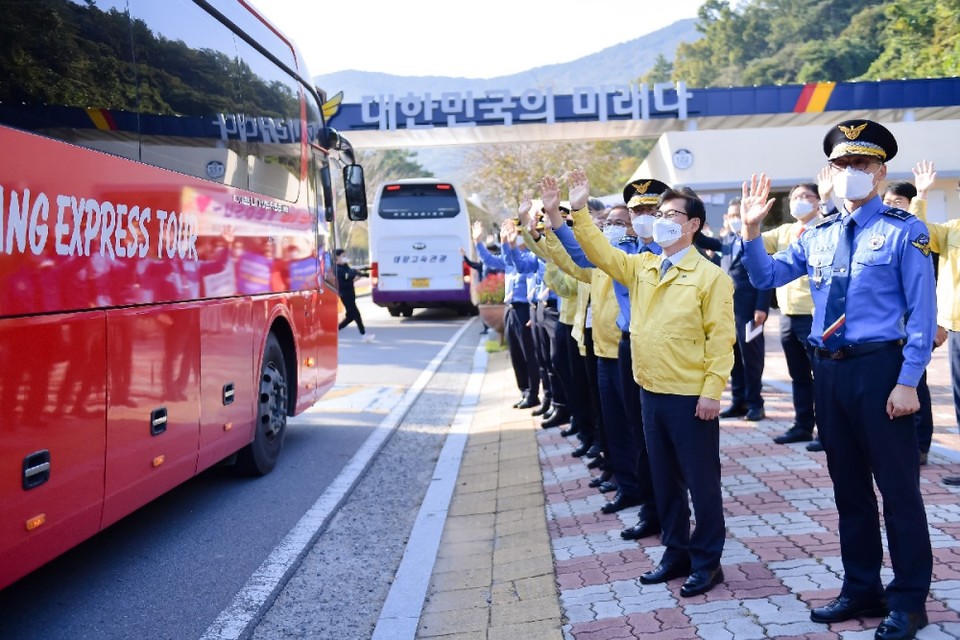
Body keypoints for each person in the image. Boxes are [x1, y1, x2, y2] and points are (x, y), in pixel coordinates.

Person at [740, 119, 936, 640]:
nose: (853, 173)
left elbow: (921, 313)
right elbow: (766, 278)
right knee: (848, 489)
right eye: (844, 164)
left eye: (863, 165)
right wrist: (753, 232)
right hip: (828, 372)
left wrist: (908, 380)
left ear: (881, 172)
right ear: (830, 171)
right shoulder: (817, 235)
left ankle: (910, 600)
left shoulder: (904, 230)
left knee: (898, 491)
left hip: (880, 371)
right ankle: (861, 587)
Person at [565, 168, 735, 599]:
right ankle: (675, 551)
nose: (662, 220)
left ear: (694, 225)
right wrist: (580, 210)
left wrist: (712, 391)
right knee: (664, 480)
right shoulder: (642, 266)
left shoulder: (710, 277)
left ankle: (707, 560)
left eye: (673, 214)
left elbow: (721, 339)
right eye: (660, 213)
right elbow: (599, 253)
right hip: (651, 390)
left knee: (701, 482)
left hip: (691, 396)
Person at [762, 178, 827, 446]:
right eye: (795, 197)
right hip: (788, 315)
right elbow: (752, 246)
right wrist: (749, 223)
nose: (800, 201)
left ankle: (827, 430)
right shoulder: (785, 231)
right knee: (798, 375)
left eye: (807, 197)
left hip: (813, 315)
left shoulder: (825, 227)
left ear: (818, 201)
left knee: (822, 376)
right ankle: (802, 425)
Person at [697, 199, 772, 422]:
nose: (734, 220)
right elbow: (699, 239)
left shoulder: (758, 240)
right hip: (728, 311)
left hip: (750, 311)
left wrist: (762, 306)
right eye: (730, 216)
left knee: (752, 360)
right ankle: (738, 402)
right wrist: (695, 208)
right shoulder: (726, 240)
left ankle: (755, 404)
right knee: (733, 358)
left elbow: (766, 275)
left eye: (737, 215)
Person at [882, 178, 936, 466]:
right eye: (887, 202)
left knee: (916, 383)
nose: (891, 207)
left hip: (913, 326)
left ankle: (920, 444)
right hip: (891, 329)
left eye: (898, 202)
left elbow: (928, 289)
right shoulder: (884, 234)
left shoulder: (917, 235)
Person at [335, 249, 374, 343]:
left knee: (350, 317)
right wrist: (353, 278)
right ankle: (364, 335)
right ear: (337, 257)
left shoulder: (345, 267)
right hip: (345, 295)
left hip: (350, 294)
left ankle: (334, 331)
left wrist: (362, 274)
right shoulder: (337, 269)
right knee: (356, 315)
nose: (345, 257)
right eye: (343, 256)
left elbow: (351, 274)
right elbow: (343, 282)